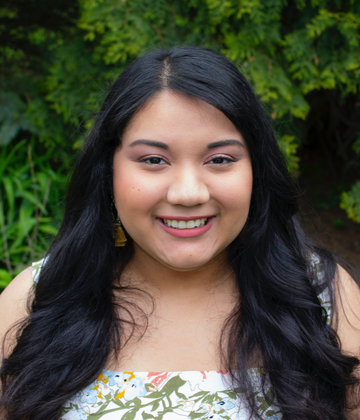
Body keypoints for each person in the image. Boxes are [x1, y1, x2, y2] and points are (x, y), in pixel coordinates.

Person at [0, 46, 359, 420]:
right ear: (108, 171)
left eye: (220, 160)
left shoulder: (322, 299)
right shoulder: (34, 301)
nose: (188, 193)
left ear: (257, 171)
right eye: (154, 160)